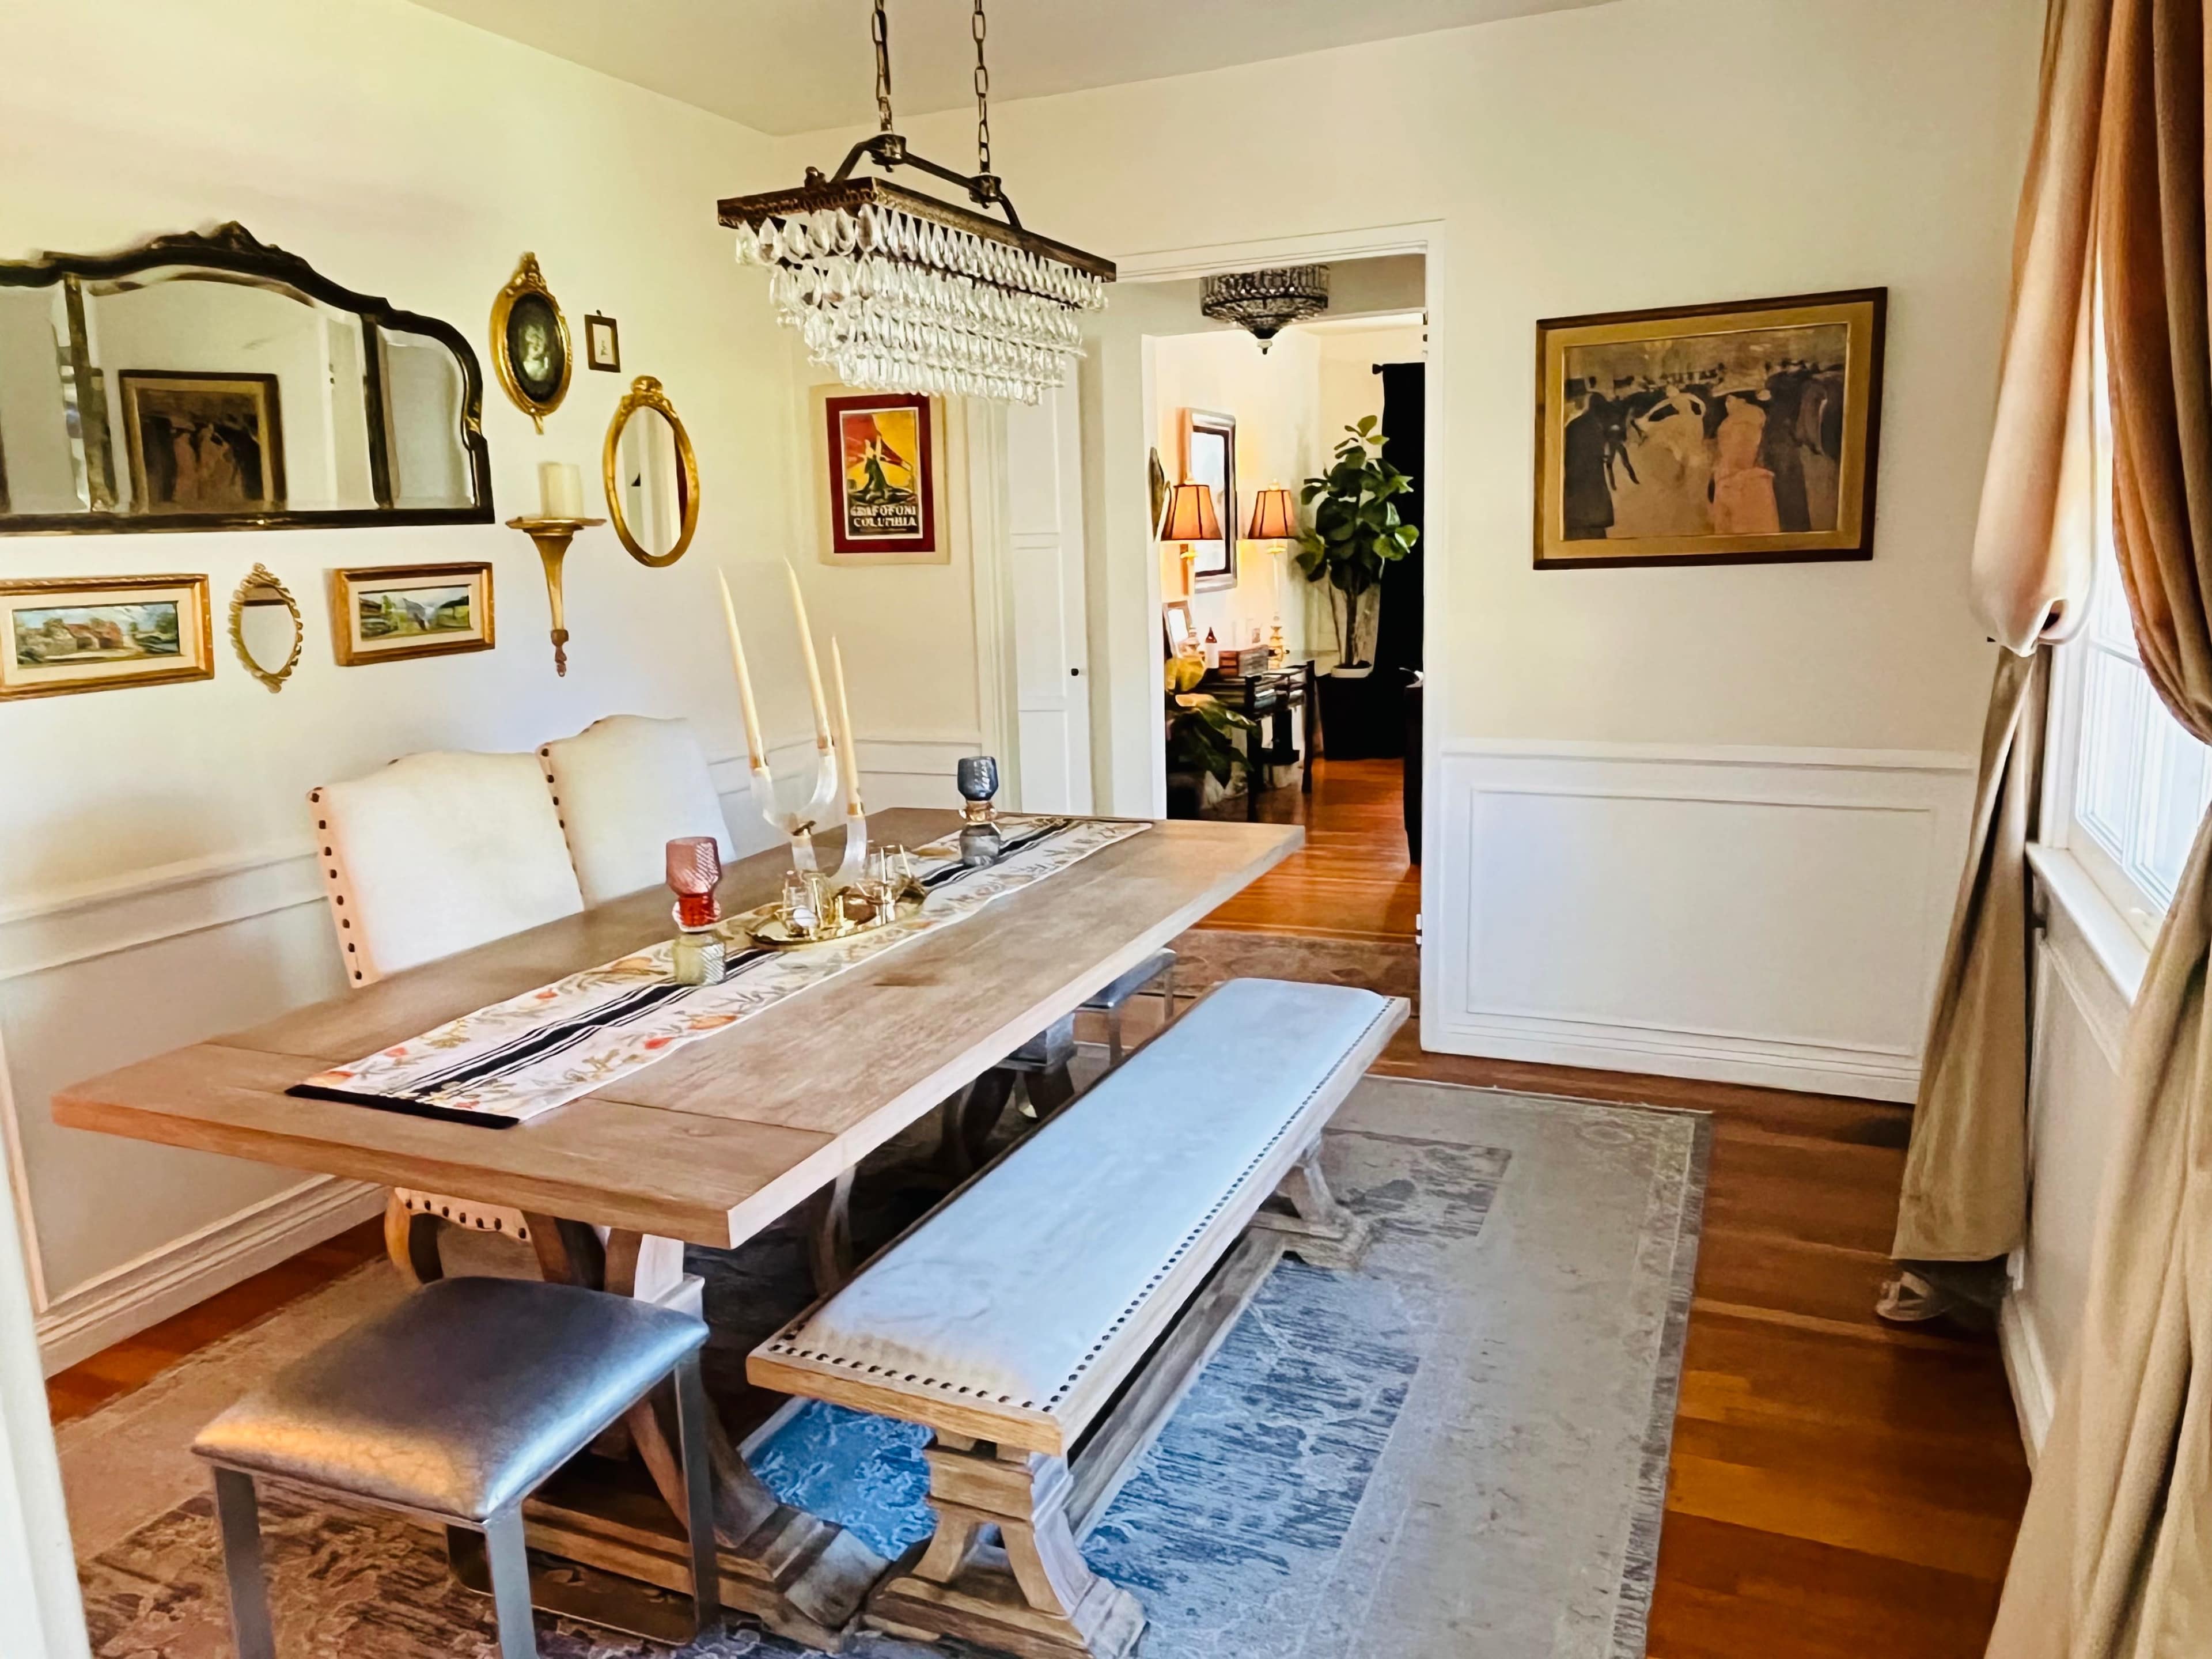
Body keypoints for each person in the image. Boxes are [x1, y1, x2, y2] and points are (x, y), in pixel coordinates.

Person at [1709, 394, 1780, 535]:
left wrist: (1727, 478)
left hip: (1740, 482)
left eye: (1729, 400)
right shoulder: (1744, 419)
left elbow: (1739, 453)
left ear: (1742, 399)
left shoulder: (1741, 422)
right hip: (1737, 479)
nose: (1726, 405)